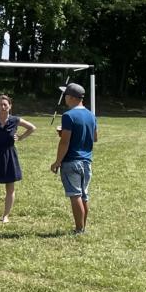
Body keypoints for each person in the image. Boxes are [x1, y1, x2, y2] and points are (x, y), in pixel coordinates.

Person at [0, 94, 36, 223]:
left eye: (5, 104)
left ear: (10, 106)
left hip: (10, 155)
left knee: (10, 188)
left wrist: (21, 137)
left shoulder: (15, 120)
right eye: (0, 104)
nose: (3, 107)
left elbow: (32, 128)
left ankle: (5, 216)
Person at [50, 83, 97, 234]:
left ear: (71, 97)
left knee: (75, 196)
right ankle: (83, 227)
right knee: (84, 196)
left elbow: (65, 142)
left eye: (65, 95)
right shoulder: (91, 115)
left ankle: (79, 229)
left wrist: (57, 162)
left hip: (71, 161)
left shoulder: (68, 116)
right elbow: (94, 138)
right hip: (87, 162)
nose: (64, 98)